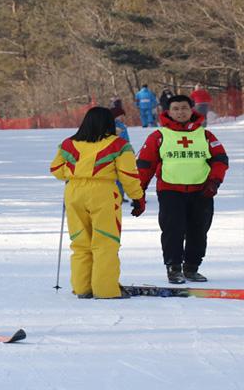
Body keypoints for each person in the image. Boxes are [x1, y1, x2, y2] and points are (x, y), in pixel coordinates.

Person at [50, 107, 144, 299]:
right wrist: (137, 197)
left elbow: (57, 170)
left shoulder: (68, 144)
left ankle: (82, 287)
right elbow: (128, 175)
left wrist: (75, 174)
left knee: (80, 242)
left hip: (74, 192)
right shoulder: (118, 145)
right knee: (105, 241)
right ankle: (106, 289)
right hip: (103, 193)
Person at [137, 95, 229, 284]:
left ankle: (191, 267)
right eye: (176, 109)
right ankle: (174, 268)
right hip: (170, 190)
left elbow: (220, 160)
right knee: (173, 229)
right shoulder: (158, 136)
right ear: (168, 112)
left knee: (199, 230)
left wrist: (214, 182)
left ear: (192, 109)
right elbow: (145, 165)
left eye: (184, 108)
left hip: (201, 191)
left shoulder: (205, 135)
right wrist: (139, 192)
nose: (180, 112)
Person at [111, 107, 131, 203]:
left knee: (120, 176)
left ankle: (120, 196)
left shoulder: (121, 125)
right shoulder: (116, 126)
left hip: (121, 154)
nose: (123, 117)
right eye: (122, 115)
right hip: (117, 154)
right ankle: (117, 196)